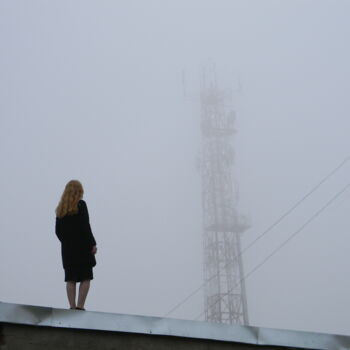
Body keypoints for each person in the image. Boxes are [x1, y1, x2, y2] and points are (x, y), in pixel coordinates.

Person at [55, 180, 97, 310]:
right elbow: (86, 226)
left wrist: (67, 242)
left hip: (68, 249)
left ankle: (72, 306)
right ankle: (80, 306)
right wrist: (92, 243)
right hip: (82, 247)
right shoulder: (81, 205)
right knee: (86, 276)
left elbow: (57, 231)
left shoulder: (60, 209)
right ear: (79, 191)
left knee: (70, 278)